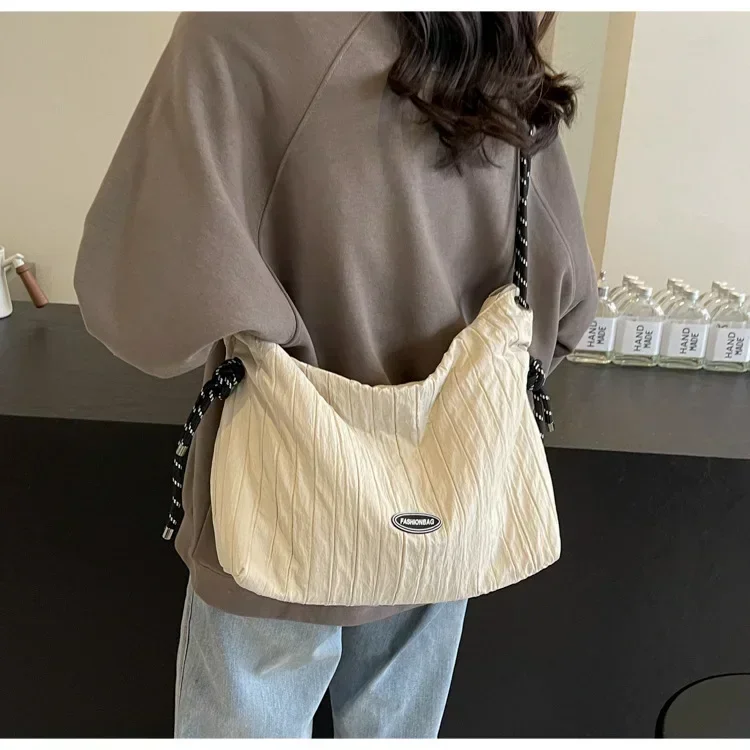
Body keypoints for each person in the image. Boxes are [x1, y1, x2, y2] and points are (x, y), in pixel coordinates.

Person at [74, 12, 597, 739]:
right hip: (448, 477)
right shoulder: (486, 34)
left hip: (279, 477)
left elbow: (140, 298)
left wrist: (264, 327)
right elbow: (565, 298)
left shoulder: (236, 31)